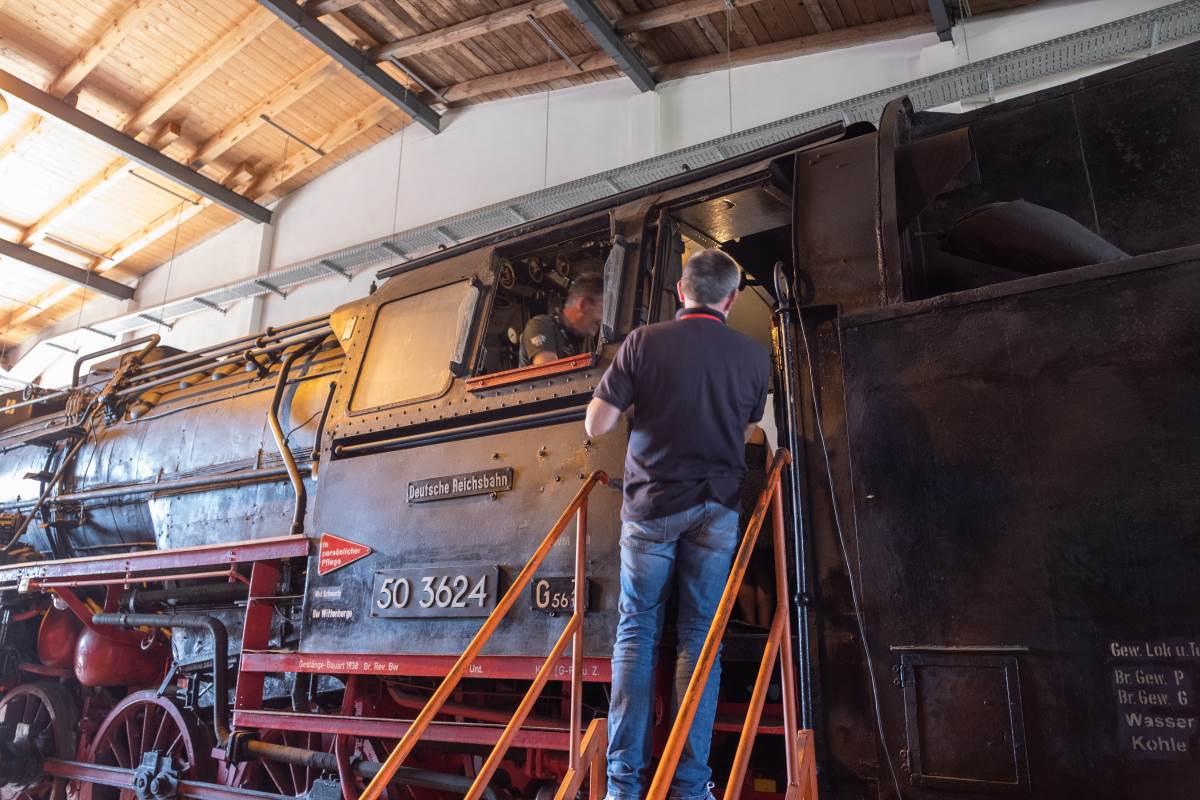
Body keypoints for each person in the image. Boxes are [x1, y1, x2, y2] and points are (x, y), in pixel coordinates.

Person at [585, 248, 770, 800]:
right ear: (730, 299)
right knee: (700, 639)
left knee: (637, 633)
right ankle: (689, 786)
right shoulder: (752, 354)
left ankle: (622, 786)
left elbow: (597, 425)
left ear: (680, 291)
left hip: (652, 507)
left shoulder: (644, 342)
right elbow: (751, 425)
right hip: (717, 508)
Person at [519, 272, 604, 366]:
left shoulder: (586, 341)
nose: (602, 319)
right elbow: (550, 372)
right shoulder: (540, 326)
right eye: (601, 310)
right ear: (584, 305)